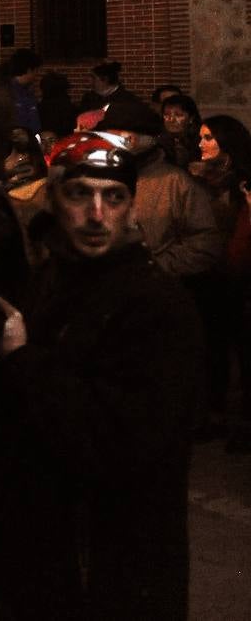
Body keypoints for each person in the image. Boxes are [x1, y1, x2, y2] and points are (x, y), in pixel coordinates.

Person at [0, 129, 199, 619]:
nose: (97, 215)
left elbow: (120, 439)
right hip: (37, 566)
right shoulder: (45, 285)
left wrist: (22, 360)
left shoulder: (156, 304)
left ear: (133, 209)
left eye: (114, 197)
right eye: (80, 194)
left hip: (108, 577)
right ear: (53, 199)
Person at [97, 102, 220, 280]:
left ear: (132, 140)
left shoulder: (175, 182)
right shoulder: (101, 177)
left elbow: (203, 244)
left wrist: (152, 268)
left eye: (112, 138)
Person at [188, 114, 251, 449]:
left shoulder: (242, 183)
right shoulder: (195, 180)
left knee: (243, 353)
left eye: (209, 137)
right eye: (201, 136)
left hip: (240, 279)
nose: (202, 144)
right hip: (209, 277)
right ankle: (212, 416)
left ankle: (242, 423)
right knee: (211, 349)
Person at [6, 48, 43, 135]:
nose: (37, 74)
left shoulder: (28, 91)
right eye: (36, 70)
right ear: (29, 70)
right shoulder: (8, 92)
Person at [162, 93, 201, 169]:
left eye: (179, 115)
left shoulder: (201, 141)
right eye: (166, 114)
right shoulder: (158, 140)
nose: (171, 120)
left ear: (191, 118)